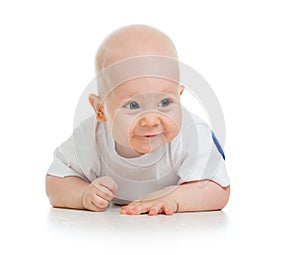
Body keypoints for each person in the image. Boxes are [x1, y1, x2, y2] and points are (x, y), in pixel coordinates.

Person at [46, 24, 230, 216]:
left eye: (165, 102)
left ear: (179, 95)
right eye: (133, 105)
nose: (150, 120)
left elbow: (219, 189)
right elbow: (55, 181)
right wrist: (82, 194)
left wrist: (174, 198)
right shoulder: (91, 136)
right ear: (100, 110)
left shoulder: (192, 135)